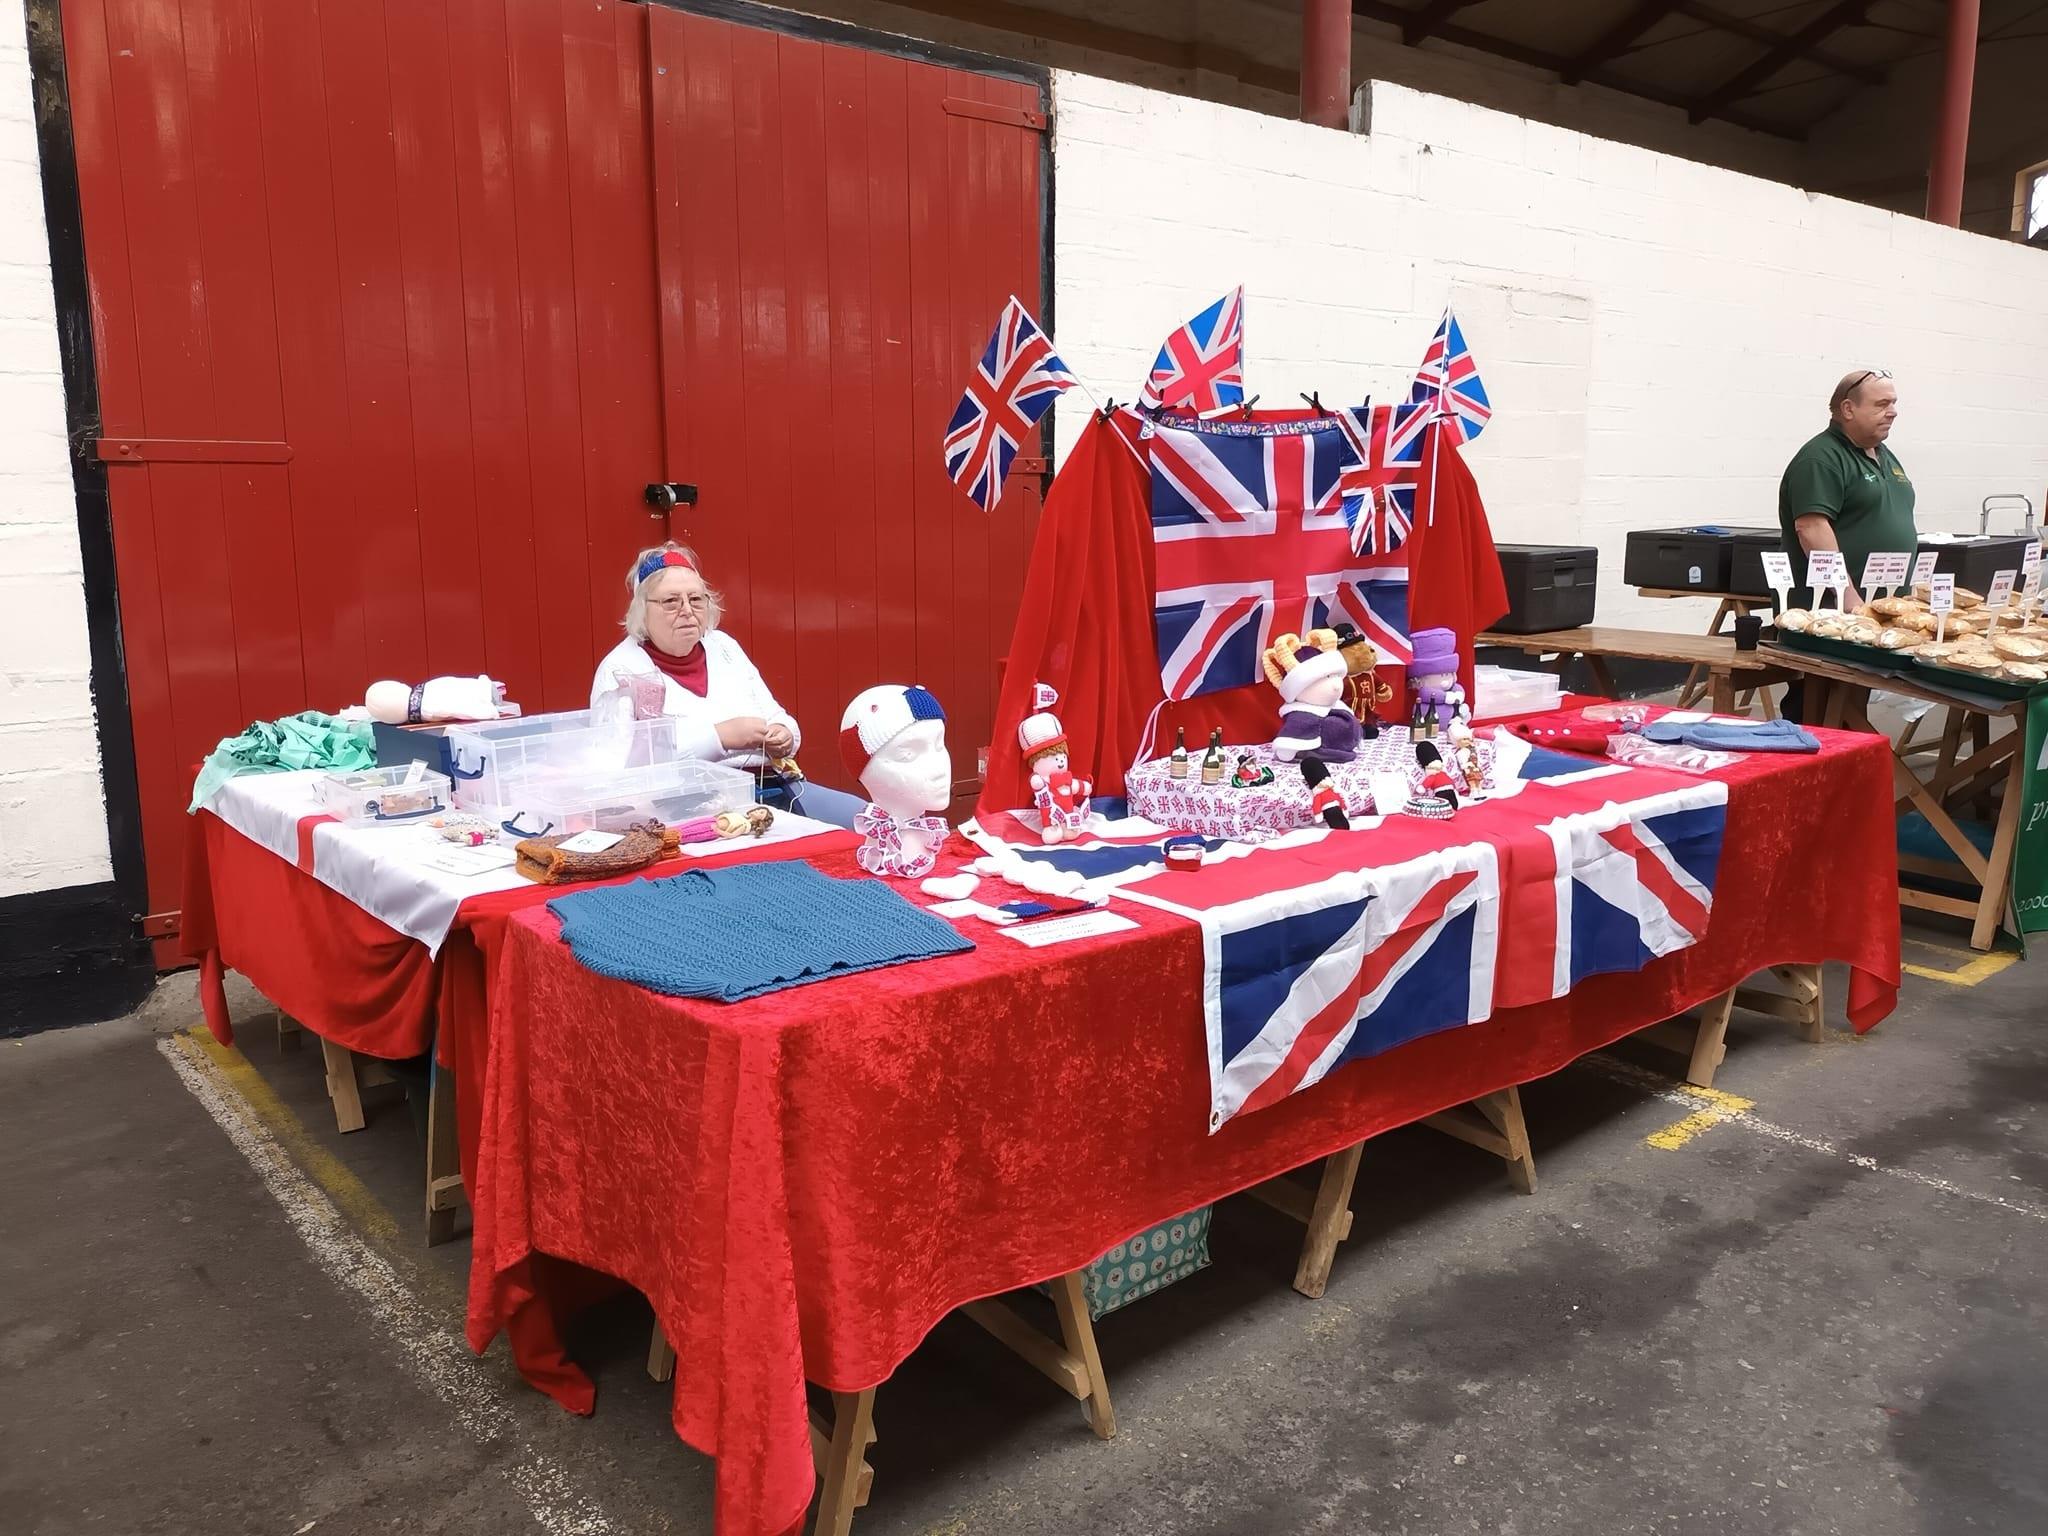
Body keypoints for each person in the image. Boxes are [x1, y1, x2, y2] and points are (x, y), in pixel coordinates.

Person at [590, 543, 864, 828]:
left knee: (866, 819)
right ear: (641, 610)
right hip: (686, 808)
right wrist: (720, 738)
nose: (686, 610)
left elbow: (775, 715)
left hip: (772, 788)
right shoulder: (622, 670)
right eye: (671, 601)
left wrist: (784, 735)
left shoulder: (723, 647)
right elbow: (620, 774)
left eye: (696, 599)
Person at [1778, 368, 1916, 614]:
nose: (1893, 412)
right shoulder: (1821, 458)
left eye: (1894, 403)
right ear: (1848, 409)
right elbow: (1811, 530)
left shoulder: (1884, 455)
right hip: (1835, 615)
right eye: (1881, 404)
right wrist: (1848, 597)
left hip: (1886, 611)